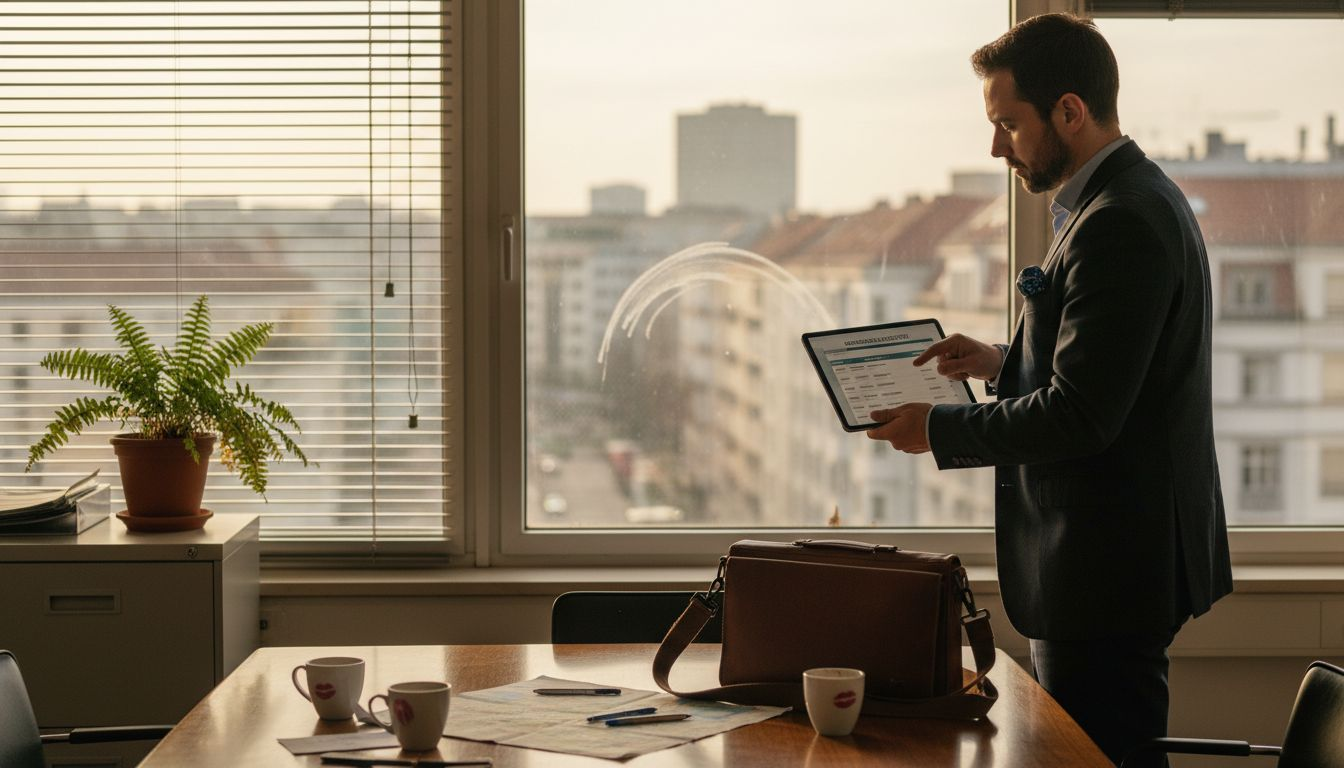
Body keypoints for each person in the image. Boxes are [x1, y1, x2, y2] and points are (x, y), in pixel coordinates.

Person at [864, 13, 1232, 767]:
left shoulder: (1118, 222)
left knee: (1090, 759)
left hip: (1104, 575)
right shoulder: (1127, 198)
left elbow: (1083, 413)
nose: (996, 147)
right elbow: (1108, 370)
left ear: (1069, 110)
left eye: (1007, 124)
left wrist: (937, 429)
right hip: (1112, 564)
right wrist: (1000, 361)